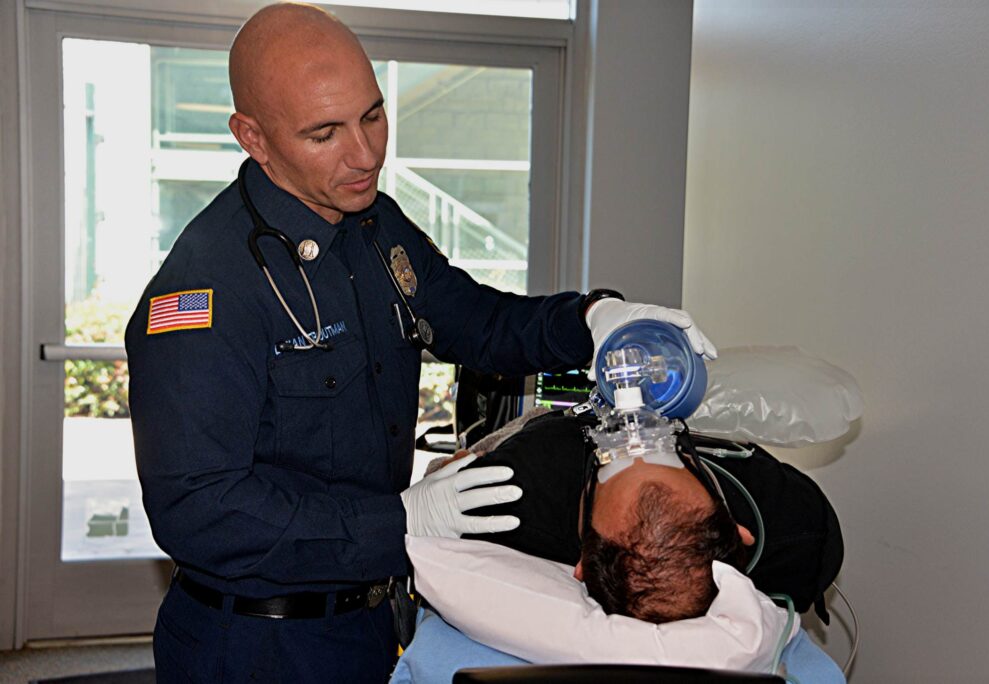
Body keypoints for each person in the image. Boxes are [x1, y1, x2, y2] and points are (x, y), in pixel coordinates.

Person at [125, 3, 716, 682]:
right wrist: (399, 519)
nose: (367, 154)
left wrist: (592, 320)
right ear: (253, 138)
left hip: (372, 616)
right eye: (325, 133)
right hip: (260, 642)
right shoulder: (207, 291)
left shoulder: (373, 224)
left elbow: (481, 324)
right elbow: (199, 511)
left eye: (372, 115)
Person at [453, 409, 843, 624]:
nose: (631, 433)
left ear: (581, 568)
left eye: (606, 469)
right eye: (675, 458)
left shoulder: (516, 489)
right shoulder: (789, 507)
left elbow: (451, 476)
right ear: (739, 530)